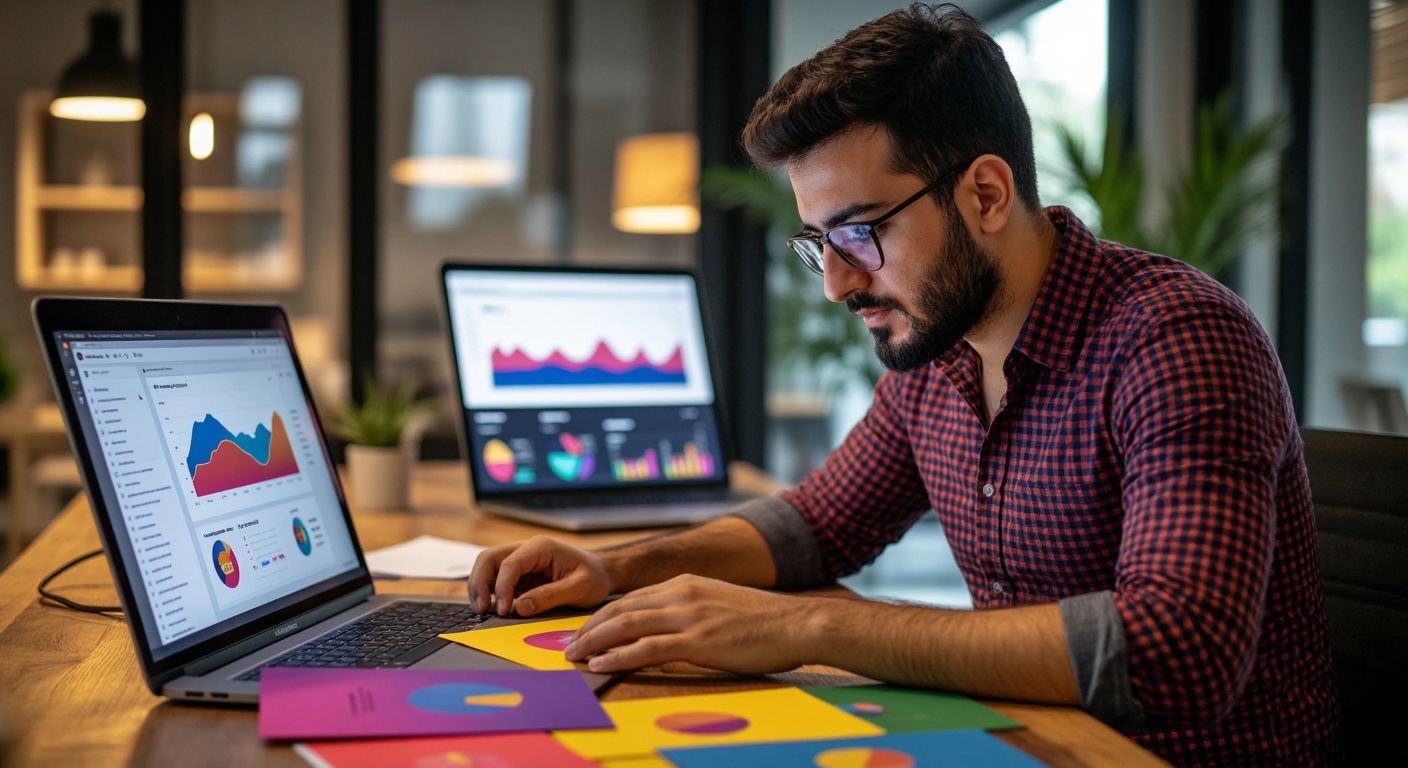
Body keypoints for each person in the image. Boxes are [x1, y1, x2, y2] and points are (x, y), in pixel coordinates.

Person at [467, 4, 1339, 764]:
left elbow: (1176, 651)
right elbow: (813, 525)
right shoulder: (939, 354)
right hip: (1023, 741)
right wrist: (613, 569)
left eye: (858, 233)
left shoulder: (1176, 337)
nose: (837, 286)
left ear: (987, 194)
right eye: (819, 243)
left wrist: (811, 627)